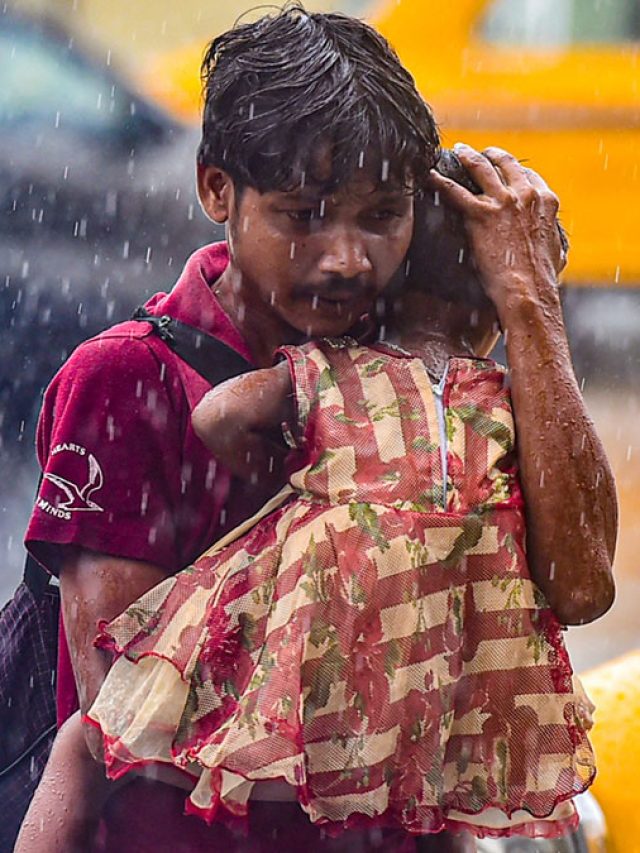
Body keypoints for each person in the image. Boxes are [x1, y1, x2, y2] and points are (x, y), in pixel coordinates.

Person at [19, 4, 616, 851]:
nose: (347, 258)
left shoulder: (425, 386)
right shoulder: (130, 380)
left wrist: (527, 301)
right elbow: (119, 709)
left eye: (382, 216)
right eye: (303, 215)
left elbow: (583, 586)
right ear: (216, 190)